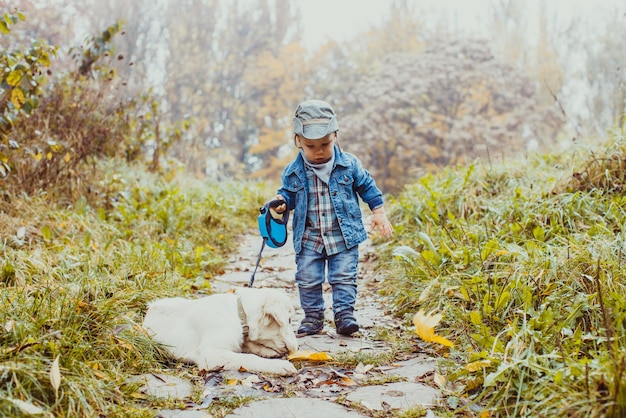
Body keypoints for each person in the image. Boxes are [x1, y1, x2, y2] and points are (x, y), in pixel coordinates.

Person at [270, 99, 393, 337]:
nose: (319, 151)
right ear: (298, 141)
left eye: (324, 144)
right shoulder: (293, 171)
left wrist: (378, 212)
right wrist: (282, 202)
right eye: (311, 145)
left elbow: (367, 186)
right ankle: (313, 318)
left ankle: (345, 315)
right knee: (307, 279)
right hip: (309, 237)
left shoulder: (349, 164)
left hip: (342, 236)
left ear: (335, 135)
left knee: (344, 277)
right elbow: (288, 195)